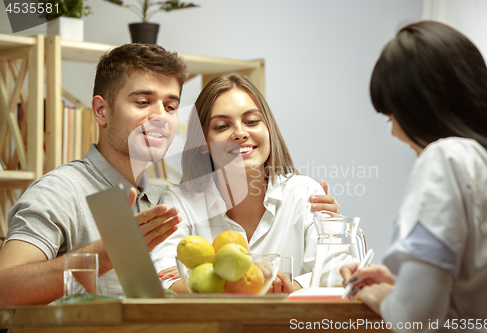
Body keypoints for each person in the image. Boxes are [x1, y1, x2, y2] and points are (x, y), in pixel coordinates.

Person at [340, 21, 487, 331]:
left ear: (418, 108)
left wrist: (384, 296)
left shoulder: (446, 157)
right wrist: (404, 286)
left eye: (390, 118)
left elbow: (415, 319)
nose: (396, 134)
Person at [0, 43, 186, 307]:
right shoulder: (60, 190)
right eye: (143, 102)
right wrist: (104, 254)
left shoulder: (167, 201)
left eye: (170, 106)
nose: (160, 116)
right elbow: (4, 289)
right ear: (101, 111)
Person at [153, 73, 341, 293]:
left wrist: (291, 288)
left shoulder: (306, 195)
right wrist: (249, 286)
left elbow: (338, 270)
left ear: (268, 129)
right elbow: (163, 278)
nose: (240, 133)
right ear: (203, 143)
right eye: (222, 126)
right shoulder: (178, 204)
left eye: (252, 121)